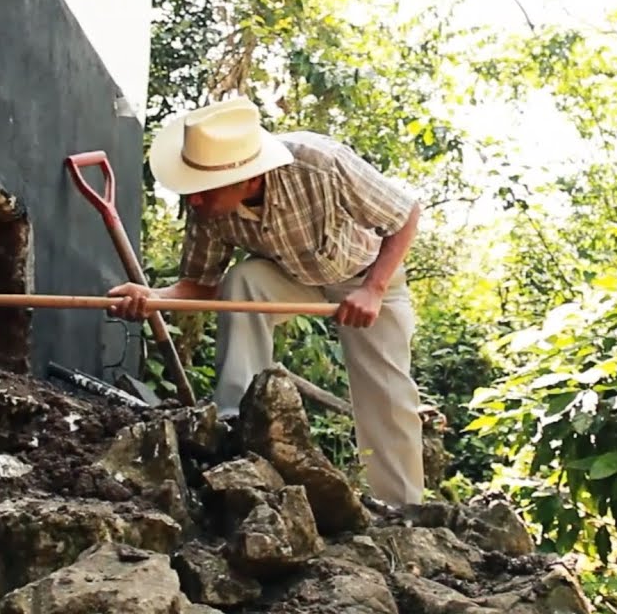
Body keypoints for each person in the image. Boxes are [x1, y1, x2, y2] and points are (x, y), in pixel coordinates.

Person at [108, 96, 426, 506]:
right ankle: (237, 429)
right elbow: (201, 287)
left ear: (247, 178)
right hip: (291, 277)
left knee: (388, 392)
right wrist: (151, 298)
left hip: (366, 274)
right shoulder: (209, 208)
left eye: (201, 190)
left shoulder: (319, 164)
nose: (193, 202)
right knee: (244, 281)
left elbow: (406, 216)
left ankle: (404, 509)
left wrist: (374, 289)